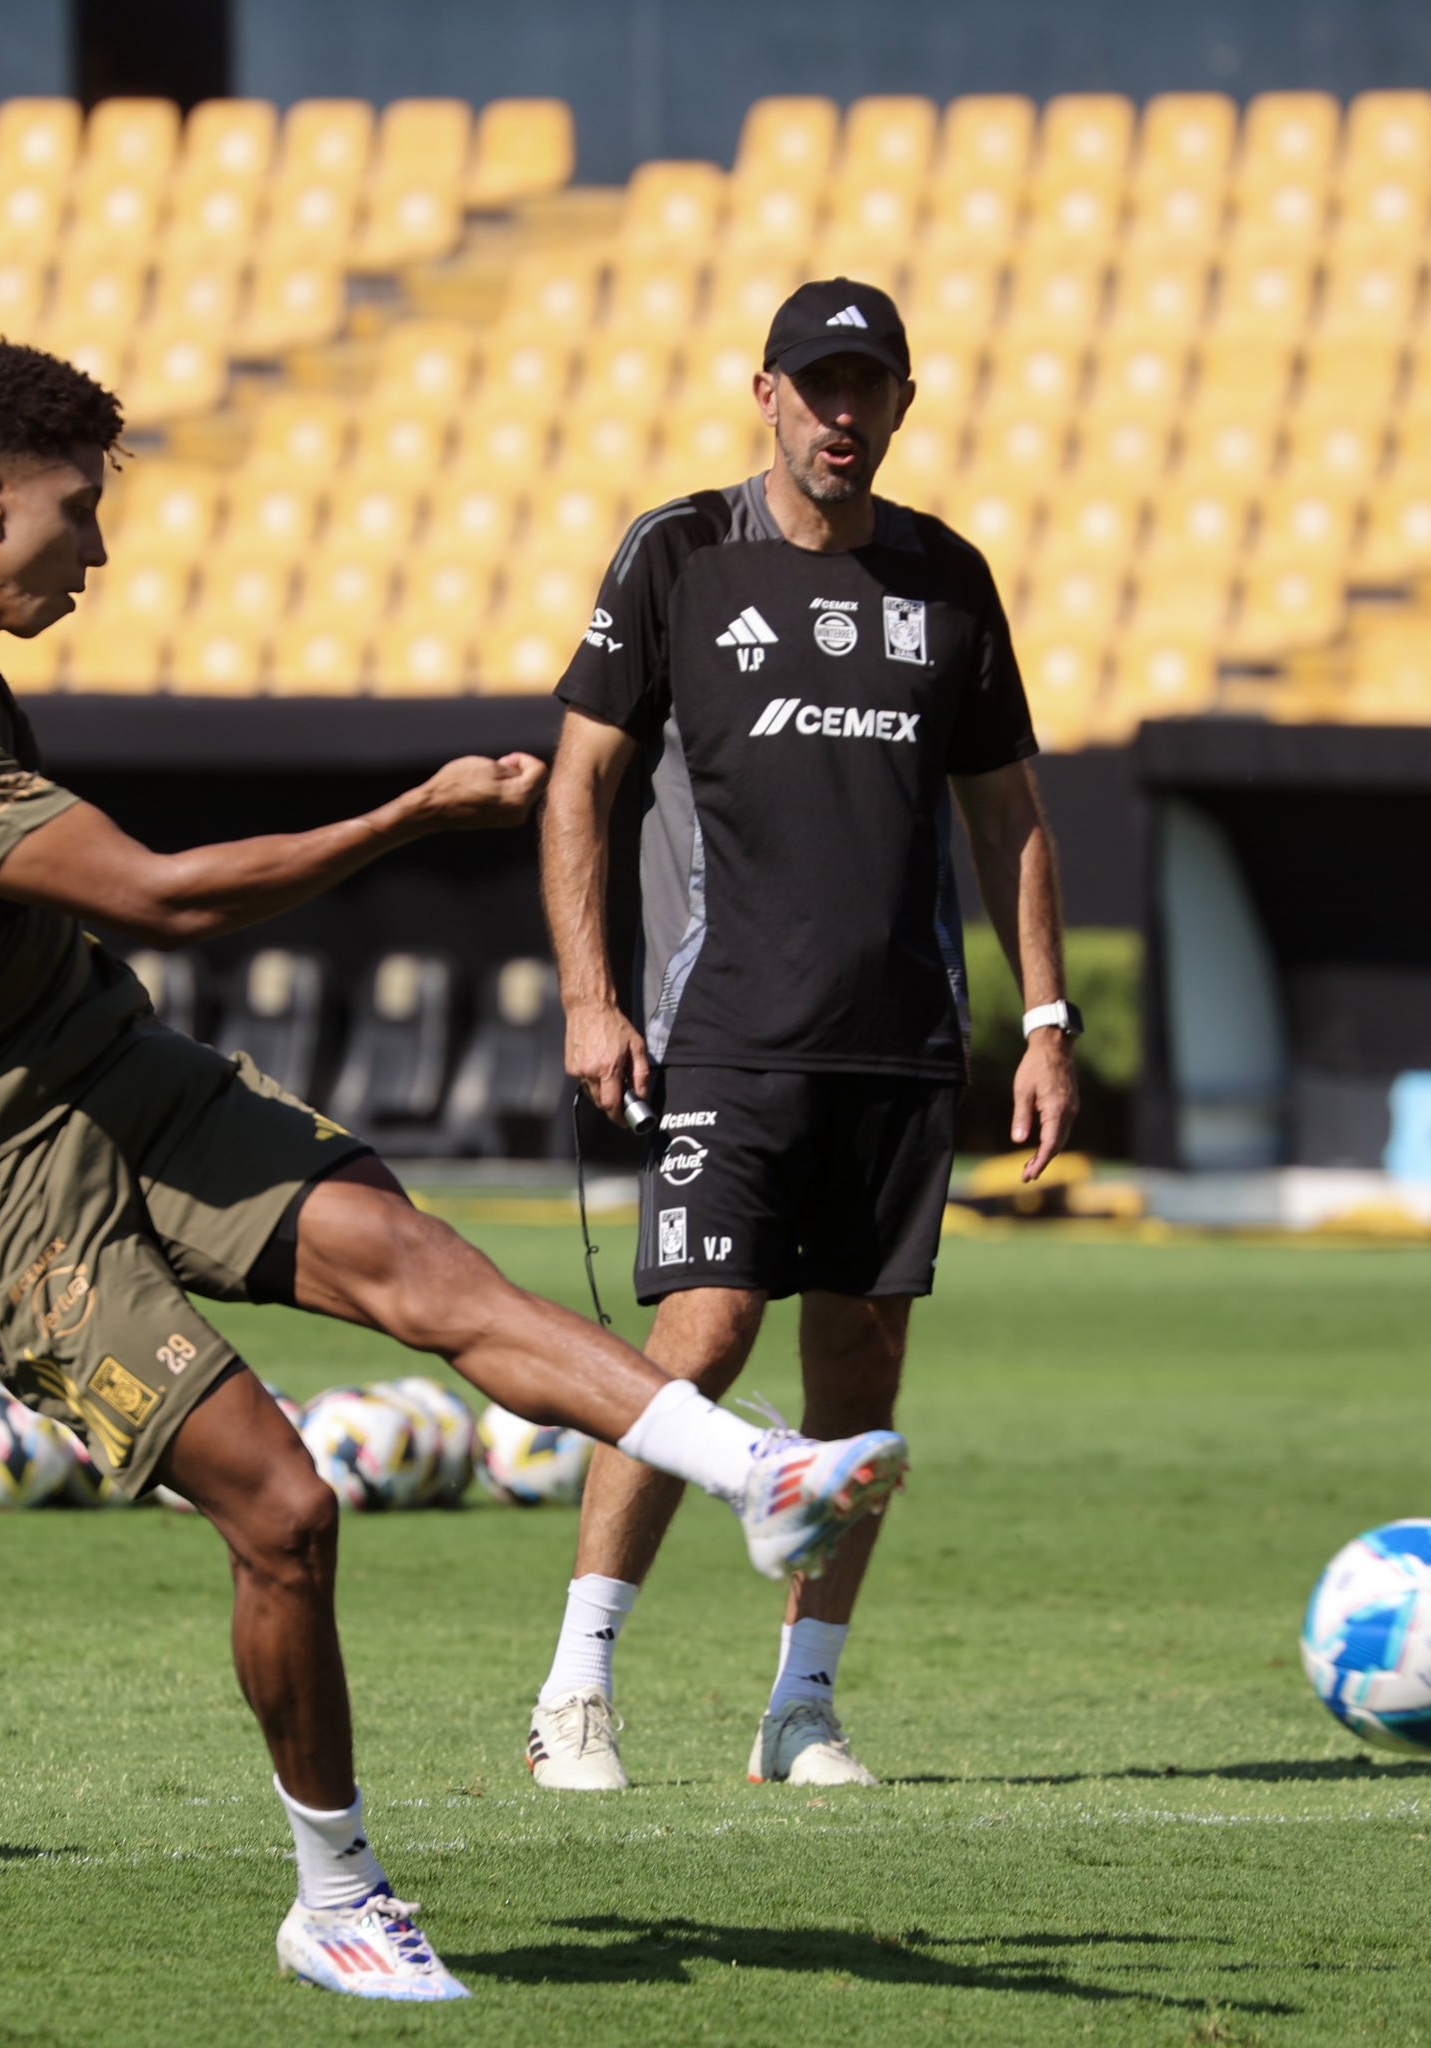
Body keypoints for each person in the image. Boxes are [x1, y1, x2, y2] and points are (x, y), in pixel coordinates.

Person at [0, 341, 909, 2003]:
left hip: (103, 1061)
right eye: (77, 512)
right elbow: (163, 897)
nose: (97, 551)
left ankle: (754, 1476)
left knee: (419, 1262)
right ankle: (336, 1893)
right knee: (284, 1505)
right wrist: (411, 815)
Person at [528, 279, 1079, 1793]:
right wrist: (592, 994)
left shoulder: (949, 580)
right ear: (762, 393)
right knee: (697, 1343)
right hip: (723, 1033)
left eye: (870, 390)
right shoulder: (679, 554)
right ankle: (577, 1685)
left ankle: (803, 1705)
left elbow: (1010, 812)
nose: (844, 416)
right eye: (818, 387)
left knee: (860, 1384)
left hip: (900, 1049)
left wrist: (1041, 1019)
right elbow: (578, 785)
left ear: (905, 404)